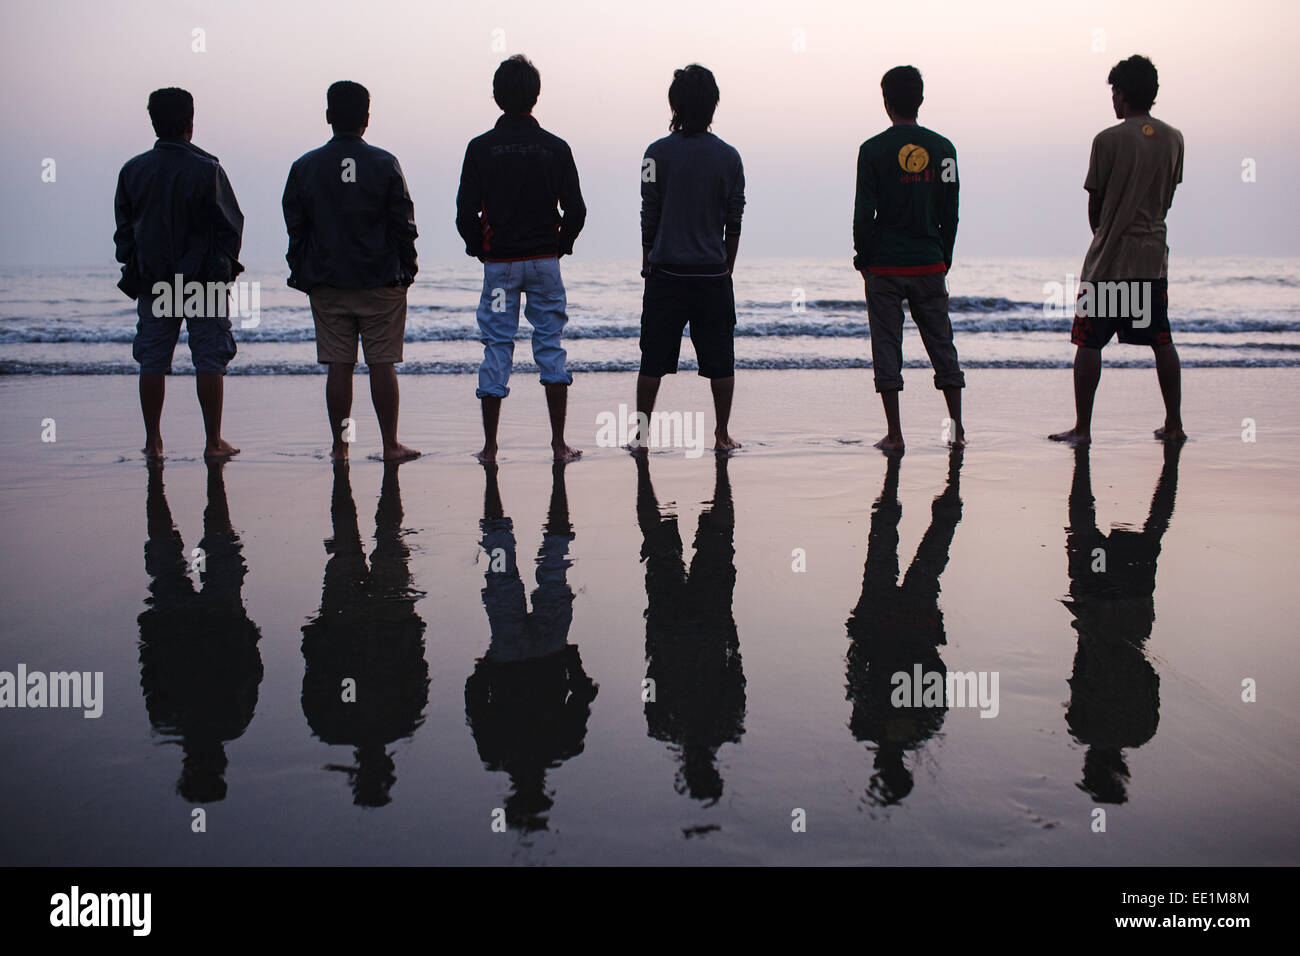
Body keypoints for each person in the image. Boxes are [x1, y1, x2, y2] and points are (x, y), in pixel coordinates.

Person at [456, 54, 586, 463]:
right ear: (536, 96)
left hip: (501, 266)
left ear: (497, 96)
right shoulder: (556, 147)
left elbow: (465, 214)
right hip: (544, 262)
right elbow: (577, 211)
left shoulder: (480, 149)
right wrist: (561, 245)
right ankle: (558, 444)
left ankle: (491, 447)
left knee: (497, 346)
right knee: (550, 345)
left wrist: (480, 248)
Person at [1050, 55, 1185, 446]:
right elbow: (1168, 198)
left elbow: (1095, 205)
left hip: (1110, 259)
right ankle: (1174, 423)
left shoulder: (1107, 140)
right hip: (1152, 258)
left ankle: (1083, 428)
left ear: (1122, 95)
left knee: (1090, 342)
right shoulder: (1174, 138)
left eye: (1114, 92)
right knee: (1161, 339)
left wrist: (1105, 230)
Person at [283, 80, 420, 462]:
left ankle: (340, 446)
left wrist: (302, 268)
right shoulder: (383, 162)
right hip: (379, 277)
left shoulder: (305, 166)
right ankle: (390, 444)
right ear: (366, 119)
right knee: (382, 362)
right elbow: (403, 222)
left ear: (329, 117)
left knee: (339, 364)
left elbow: (296, 225)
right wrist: (407, 268)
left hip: (328, 278)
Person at [113, 87, 243, 460]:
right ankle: (212, 441)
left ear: (153, 122)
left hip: (154, 280)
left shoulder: (133, 170)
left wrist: (134, 266)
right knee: (209, 359)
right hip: (203, 281)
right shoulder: (207, 169)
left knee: (153, 359)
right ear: (191, 122)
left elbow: (124, 231)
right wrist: (223, 270)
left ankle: (154, 442)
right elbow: (230, 228)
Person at [853, 65, 965, 454]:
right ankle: (957, 427)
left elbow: (863, 212)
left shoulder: (871, 151)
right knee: (941, 344)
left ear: (886, 102)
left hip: (884, 265)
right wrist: (944, 255)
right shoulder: (944, 150)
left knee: (887, 347)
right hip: (929, 261)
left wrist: (862, 256)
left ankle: (895, 434)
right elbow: (950, 211)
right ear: (920, 100)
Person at [634, 64, 745, 455]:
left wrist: (648, 256)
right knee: (721, 359)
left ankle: (642, 436)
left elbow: (650, 210)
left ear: (674, 104)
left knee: (652, 359)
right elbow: (734, 219)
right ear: (713, 105)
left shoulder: (655, 154)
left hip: (666, 272)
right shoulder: (730, 158)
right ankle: (721, 434)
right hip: (713, 273)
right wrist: (727, 263)